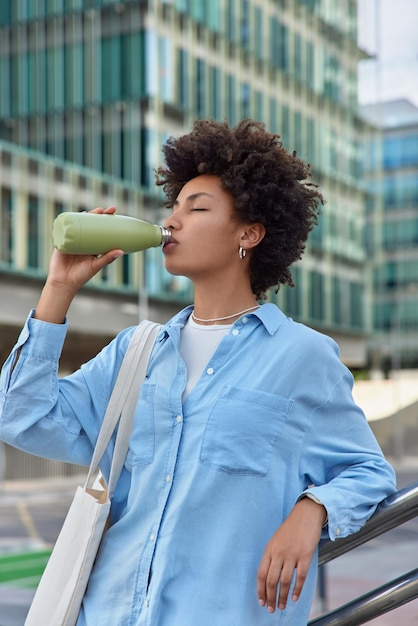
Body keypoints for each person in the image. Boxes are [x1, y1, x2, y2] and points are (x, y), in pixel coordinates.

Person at [0, 119, 396, 625]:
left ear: (249, 234)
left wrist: (310, 511)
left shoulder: (303, 358)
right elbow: (19, 416)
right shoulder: (136, 352)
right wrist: (58, 289)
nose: (174, 220)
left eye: (198, 207)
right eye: (174, 206)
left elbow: (368, 473)